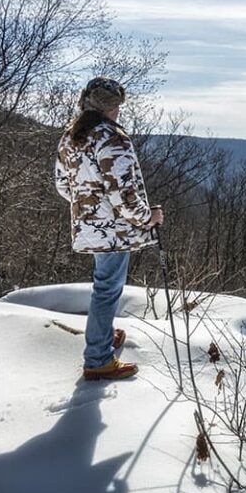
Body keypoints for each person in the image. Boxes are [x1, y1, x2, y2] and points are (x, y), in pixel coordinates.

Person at [54, 76, 164, 381]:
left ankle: (102, 335)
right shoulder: (112, 138)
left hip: (89, 224)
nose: (119, 111)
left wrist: (90, 209)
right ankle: (98, 359)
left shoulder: (71, 136)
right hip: (114, 230)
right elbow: (124, 193)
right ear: (111, 107)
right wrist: (148, 218)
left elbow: (63, 185)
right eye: (116, 105)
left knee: (103, 285)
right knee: (107, 288)